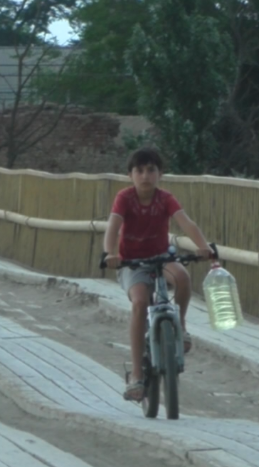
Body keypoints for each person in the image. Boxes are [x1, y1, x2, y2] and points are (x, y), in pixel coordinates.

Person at [101, 147, 214, 402]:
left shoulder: (165, 199)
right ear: (130, 175)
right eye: (139, 170)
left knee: (183, 277)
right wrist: (110, 254)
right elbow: (113, 227)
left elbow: (186, 223)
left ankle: (181, 327)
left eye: (151, 170)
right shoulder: (124, 198)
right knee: (140, 303)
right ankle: (137, 376)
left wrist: (204, 247)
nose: (145, 176)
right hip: (132, 263)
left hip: (162, 257)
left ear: (160, 174)